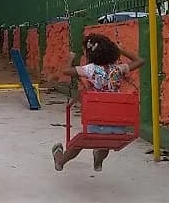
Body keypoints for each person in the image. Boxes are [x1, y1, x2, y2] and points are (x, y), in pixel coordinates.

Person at [52, 33, 145, 172]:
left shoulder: (90, 69)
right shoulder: (118, 69)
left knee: (81, 143)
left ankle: (60, 161)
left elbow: (66, 71)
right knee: (105, 142)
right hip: (117, 126)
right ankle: (98, 161)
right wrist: (121, 50)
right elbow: (140, 60)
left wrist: (70, 59)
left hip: (95, 124)